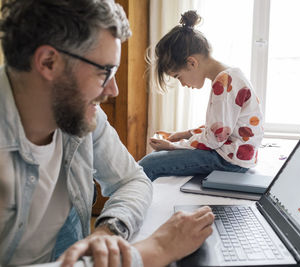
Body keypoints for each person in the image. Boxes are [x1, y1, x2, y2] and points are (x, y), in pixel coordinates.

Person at [0, 1, 214, 266]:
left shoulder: (80, 114)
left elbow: (132, 180)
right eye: (105, 71)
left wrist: (108, 231)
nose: (113, 90)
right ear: (48, 62)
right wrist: (154, 250)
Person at [139, 10, 264, 181]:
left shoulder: (224, 82)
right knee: (152, 161)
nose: (182, 84)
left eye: (178, 76)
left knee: (149, 164)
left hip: (229, 160)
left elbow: (214, 140)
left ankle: (133, 207)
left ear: (192, 62)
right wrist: (184, 134)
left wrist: (173, 146)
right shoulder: (230, 76)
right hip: (236, 155)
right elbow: (217, 128)